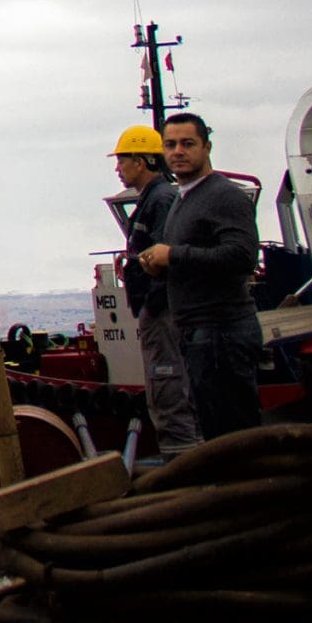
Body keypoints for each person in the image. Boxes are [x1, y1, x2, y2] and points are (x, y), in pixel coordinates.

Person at [137, 112, 262, 439]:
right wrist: (160, 262)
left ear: (207, 147)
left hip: (221, 332)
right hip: (196, 332)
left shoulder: (224, 196)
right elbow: (196, 256)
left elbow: (243, 256)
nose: (178, 151)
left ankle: (243, 489)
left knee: (233, 434)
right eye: (170, 145)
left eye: (187, 144)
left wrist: (173, 254)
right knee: (213, 429)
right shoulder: (184, 197)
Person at [112, 125, 202, 458]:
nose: (118, 169)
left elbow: (167, 254)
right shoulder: (155, 199)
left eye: (123, 160)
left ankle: (184, 461)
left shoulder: (161, 199)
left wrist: (151, 299)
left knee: (168, 384)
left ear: (142, 160)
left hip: (163, 311)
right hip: (158, 309)